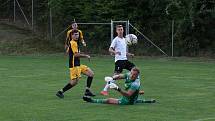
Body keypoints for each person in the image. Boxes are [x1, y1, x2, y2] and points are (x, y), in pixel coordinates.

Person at [83, 67, 155, 105]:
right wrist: (113, 78)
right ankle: (147, 101)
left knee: (109, 100)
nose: (132, 75)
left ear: (137, 75)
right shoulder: (129, 75)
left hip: (128, 101)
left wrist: (117, 88)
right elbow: (121, 76)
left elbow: (128, 95)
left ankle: (92, 100)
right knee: (135, 96)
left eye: (134, 75)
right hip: (131, 95)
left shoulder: (135, 84)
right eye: (131, 73)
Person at [56, 29, 95, 99]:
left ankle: (87, 91)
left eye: (77, 34)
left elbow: (71, 52)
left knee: (91, 74)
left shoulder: (76, 42)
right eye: (75, 35)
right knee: (74, 82)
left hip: (78, 64)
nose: (77, 36)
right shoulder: (73, 43)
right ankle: (60, 92)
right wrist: (86, 56)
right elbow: (76, 55)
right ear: (71, 35)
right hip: (74, 65)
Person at [100, 25, 136, 96]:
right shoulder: (115, 39)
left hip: (125, 60)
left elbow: (123, 51)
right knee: (115, 77)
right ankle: (104, 90)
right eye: (119, 30)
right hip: (119, 61)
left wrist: (129, 54)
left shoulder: (125, 40)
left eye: (121, 29)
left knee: (135, 70)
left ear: (123, 30)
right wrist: (115, 52)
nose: (120, 31)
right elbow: (110, 49)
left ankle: (133, 88)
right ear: (116, 31)